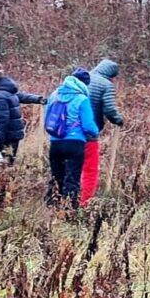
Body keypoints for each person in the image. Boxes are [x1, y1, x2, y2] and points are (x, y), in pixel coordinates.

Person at [45, 69, 100, 209]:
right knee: (72, 178)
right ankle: (68, 210)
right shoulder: (82, 99)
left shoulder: (54, 95)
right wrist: (95, 132)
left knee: (57, 177)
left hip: (55, 143)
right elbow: (88, 126)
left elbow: (47, 119)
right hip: (75, 144)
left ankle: (51, 208)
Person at [81, 59, 126, 206]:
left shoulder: (83, 78)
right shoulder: (106, 84)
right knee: (89, 168)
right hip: (89, 132)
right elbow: (109, 110)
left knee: (73, 165)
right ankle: (84, 203)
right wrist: (118, 120)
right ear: (112, 75)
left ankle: (64, 200)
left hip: (68, 131)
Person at [0, 66, 46, 165]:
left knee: (3, 166)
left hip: (6, 135)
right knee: (10, 163)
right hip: (14, 133)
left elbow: (2, 120)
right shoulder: (9, 92)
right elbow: (22, 96)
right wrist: (38, 99)